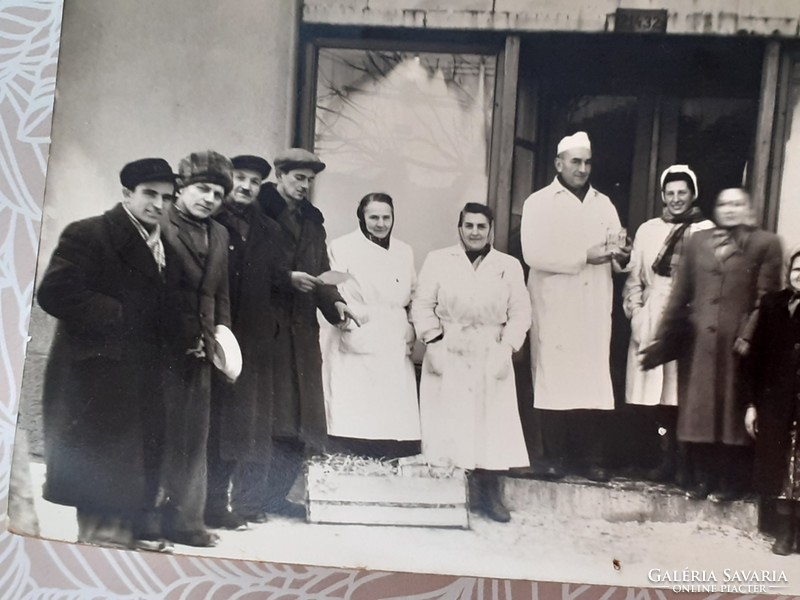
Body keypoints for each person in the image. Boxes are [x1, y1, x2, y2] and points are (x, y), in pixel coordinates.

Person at [37, 158, 177, 549]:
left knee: (134, 455)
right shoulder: (89, 234)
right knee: (103, 457)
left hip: (141, 368)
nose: (158, 204)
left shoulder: (163, 245)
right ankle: (101, 541)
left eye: (166, 197)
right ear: (127, 194)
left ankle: (128, 534)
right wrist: (121, 313)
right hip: (96, 371)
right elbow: (54, 292)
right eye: (149, 194)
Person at [641, 187, 782, 501]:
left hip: (740, 344)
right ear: (716, 208)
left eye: (737, 203)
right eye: (723, 203)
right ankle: (703, 478)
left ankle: (731, 482)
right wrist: (664, 338)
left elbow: (766, 297)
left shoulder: (765, 244)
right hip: (700, 344)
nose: (730, 209)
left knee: (732, 411)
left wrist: (749, 334)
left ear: (748, 208)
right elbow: (680, 294)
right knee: (701, 412)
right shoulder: (698, 242)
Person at [520, 131, 630, 481]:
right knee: (554, 383)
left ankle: (590, 459)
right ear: (559, 164)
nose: (582, 169)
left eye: (587, 162)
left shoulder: (604, 204)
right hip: (555, 307)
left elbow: (616, 258)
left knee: (591, 383)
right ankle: (554, 458)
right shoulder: (539, 202)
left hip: (593, 307)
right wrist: (583, 256)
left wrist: (621, 258)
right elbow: (532, 253)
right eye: (575, 162)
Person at [411, 202, 530, 523]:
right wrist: (433, 339)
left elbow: (521, 312)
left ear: (490, 230)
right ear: (459, 228)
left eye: (481, 226)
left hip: (491, 348)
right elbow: (421, 305)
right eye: (469, 226)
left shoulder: (508, 265)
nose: (475, 232)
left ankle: (489, 495)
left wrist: (508, 346)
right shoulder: (438, 260)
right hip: (449, 346)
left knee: (491, 425)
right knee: (449, 423)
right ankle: (448, 496)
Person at [256, 147, 357, 519]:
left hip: (303, 332)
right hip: (268, 329)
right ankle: (253, 498)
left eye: (310, 181)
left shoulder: (313, 222)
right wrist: (286, 279)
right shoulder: (258, 213)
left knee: (299, 419)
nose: (304, 186)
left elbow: (322, 270)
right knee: (270, 416)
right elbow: (249, 268)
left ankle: (276, 496)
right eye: (299, 178)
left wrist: (336, 304)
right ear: (279, 175)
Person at [205, 154, 289, 528]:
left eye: (254, 182)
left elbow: (276, 281)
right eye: (239, 178)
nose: (246, 186)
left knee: (248, 428)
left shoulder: (269, 229)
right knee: (213, 425)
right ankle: (208, 505)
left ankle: (245, 505)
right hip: (215, 334)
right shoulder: (210, 220)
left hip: (254, 341)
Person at [159, 150, 233, 546]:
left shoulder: (220, 233)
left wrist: (222, 343)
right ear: (181, 188)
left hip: (202, 351)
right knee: (157, 434)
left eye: (218, 194)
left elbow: (221, 296)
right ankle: (150, 519)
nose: (209, 199)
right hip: (161, 349)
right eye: (202, 189)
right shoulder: (161, 223)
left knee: (194, 438)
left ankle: (188, 523)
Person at [622, 165, 714, 483]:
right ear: (663, 196)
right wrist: (635, 313)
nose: (676, 199)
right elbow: (634, 279)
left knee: (681, 394)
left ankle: (685, 465)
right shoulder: (648, 230)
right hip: (651, 315)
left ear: (693, 194)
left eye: (682, 192)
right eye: (670, 193)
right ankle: (663, 460)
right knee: (654, 397)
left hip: (687, 317)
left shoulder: (706, 230)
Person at [322, 193, 420, 457]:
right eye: (373, 217)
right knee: (356, 407)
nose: (380, 223)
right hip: (359, 328)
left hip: (393, 332)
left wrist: (411, 326)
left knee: (391, 410)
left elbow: (413, 292)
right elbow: (332, 289)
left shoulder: (404, 250)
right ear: (362, 217)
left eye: (386, 217)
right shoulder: (342, 246)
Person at [744, 245, 800, 555]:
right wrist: (752, 404)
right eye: (797, 270)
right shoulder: (772, 304)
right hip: (776, 402)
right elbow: (755, 360)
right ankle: (783, 529)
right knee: (779, 466)